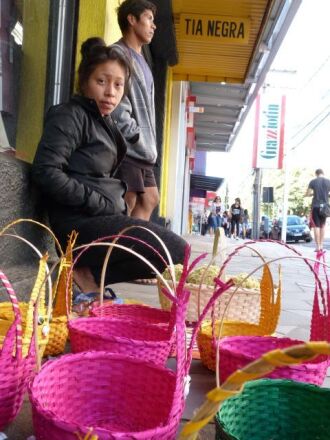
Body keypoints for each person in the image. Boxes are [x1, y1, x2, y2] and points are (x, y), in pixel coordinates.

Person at [32, 38, 186, 297]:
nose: (110, 92)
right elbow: (45, 171)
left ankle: (88, 274)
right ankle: (81, 267)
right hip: (76, 226)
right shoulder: (69, 115)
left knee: (176, 254)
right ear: (84, 82)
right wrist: (98, 202)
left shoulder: (105, 122)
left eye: (118, 85)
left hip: (97, 219)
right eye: (101, 82)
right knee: (175, 249)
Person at [111, 0, 159, 221]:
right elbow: (116, 105)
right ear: (132, 19)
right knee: (127, 200)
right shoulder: (118, 54)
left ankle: (133, 250)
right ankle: (117, 252)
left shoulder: (142, 61)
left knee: (150, 199)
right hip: (128, 145)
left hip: (143, 149)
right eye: (149, 18)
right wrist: (136, 136)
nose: (153, 25)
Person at [305, 168, 330, 252]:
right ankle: (322, 245)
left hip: (316, 206)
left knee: (316, 226)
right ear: (323, 173)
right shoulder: (328, 181)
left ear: (316, 174)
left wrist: (312, 194)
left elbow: (308, 193)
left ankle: (318, 246)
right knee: (323, 226)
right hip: (325, 207)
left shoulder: (313, 181)